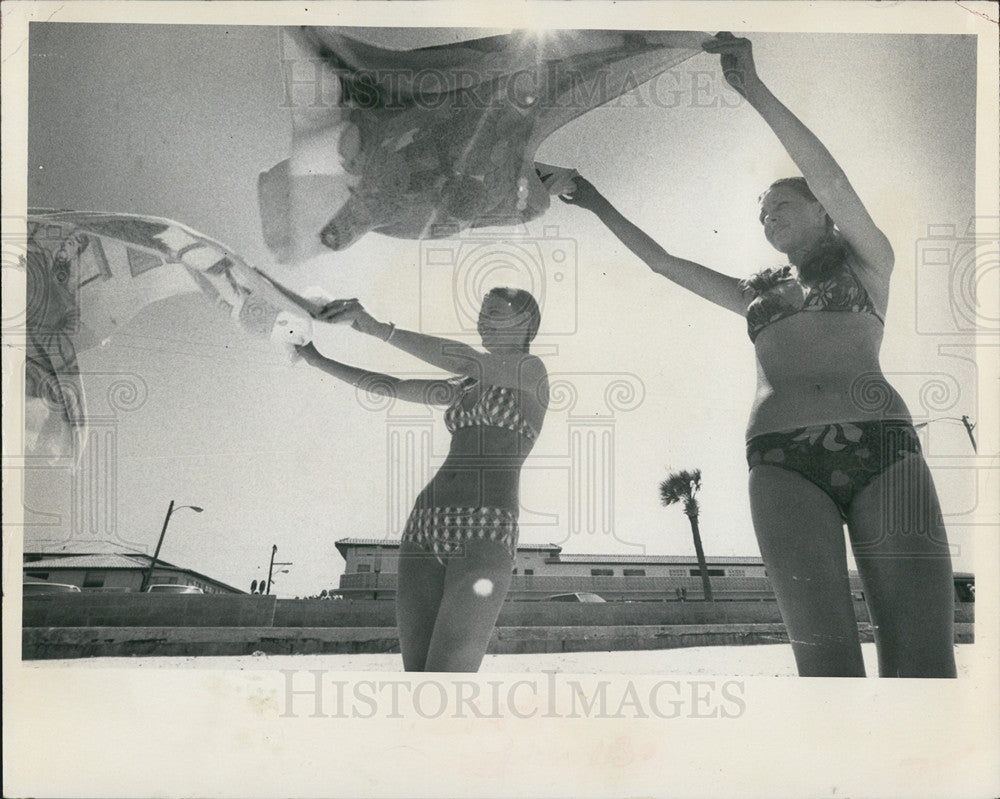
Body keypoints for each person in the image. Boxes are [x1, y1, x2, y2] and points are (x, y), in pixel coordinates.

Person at [562, 33, 956, 677]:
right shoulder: (756, 295)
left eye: (781, 206)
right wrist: (593, 197)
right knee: (825, 667)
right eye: (762, 213)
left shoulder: (868, 263)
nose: (768, 218)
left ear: (823, 215)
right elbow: (665, 264)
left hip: (882, 446)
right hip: (781, 461)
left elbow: (831, 176)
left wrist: (752, 89)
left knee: (922, 660)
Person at [296, 288, 548, 672]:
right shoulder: (463, 386)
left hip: (486, 527)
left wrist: (379, 329)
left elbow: (471, 360)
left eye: (494, 312)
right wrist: (316, 360)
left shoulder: (531, 372)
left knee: (448, 683)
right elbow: (391, 386)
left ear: (525, 322)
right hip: (424, 523)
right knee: (417, 679)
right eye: (481, 313)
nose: (482, 320)